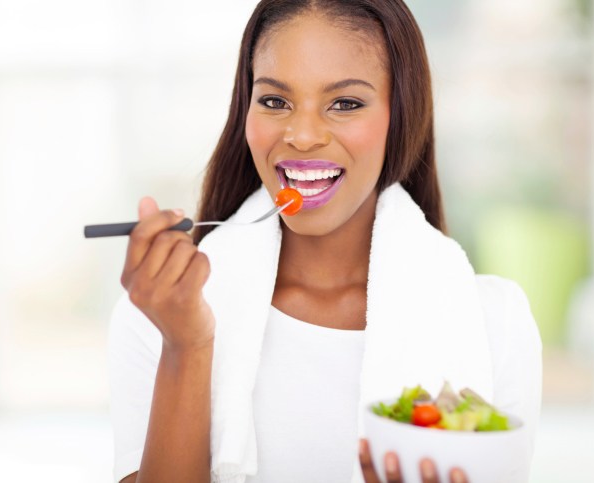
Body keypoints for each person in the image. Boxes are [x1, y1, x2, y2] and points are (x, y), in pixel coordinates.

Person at [108, 1, 543, 482]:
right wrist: (185, 345)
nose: (303, 135)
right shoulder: (164, 314)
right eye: (275, 101)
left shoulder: (493, 323)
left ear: (400, 115)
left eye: (346, 103)